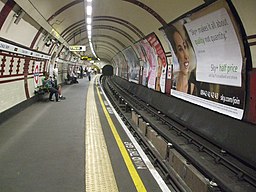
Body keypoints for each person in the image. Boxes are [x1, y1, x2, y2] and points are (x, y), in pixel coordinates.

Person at [166, 25, 196, 94]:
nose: (186, 56)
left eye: (185, 46)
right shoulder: (169, 82)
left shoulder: (193, 84)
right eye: (180, 49)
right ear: (175, 54)